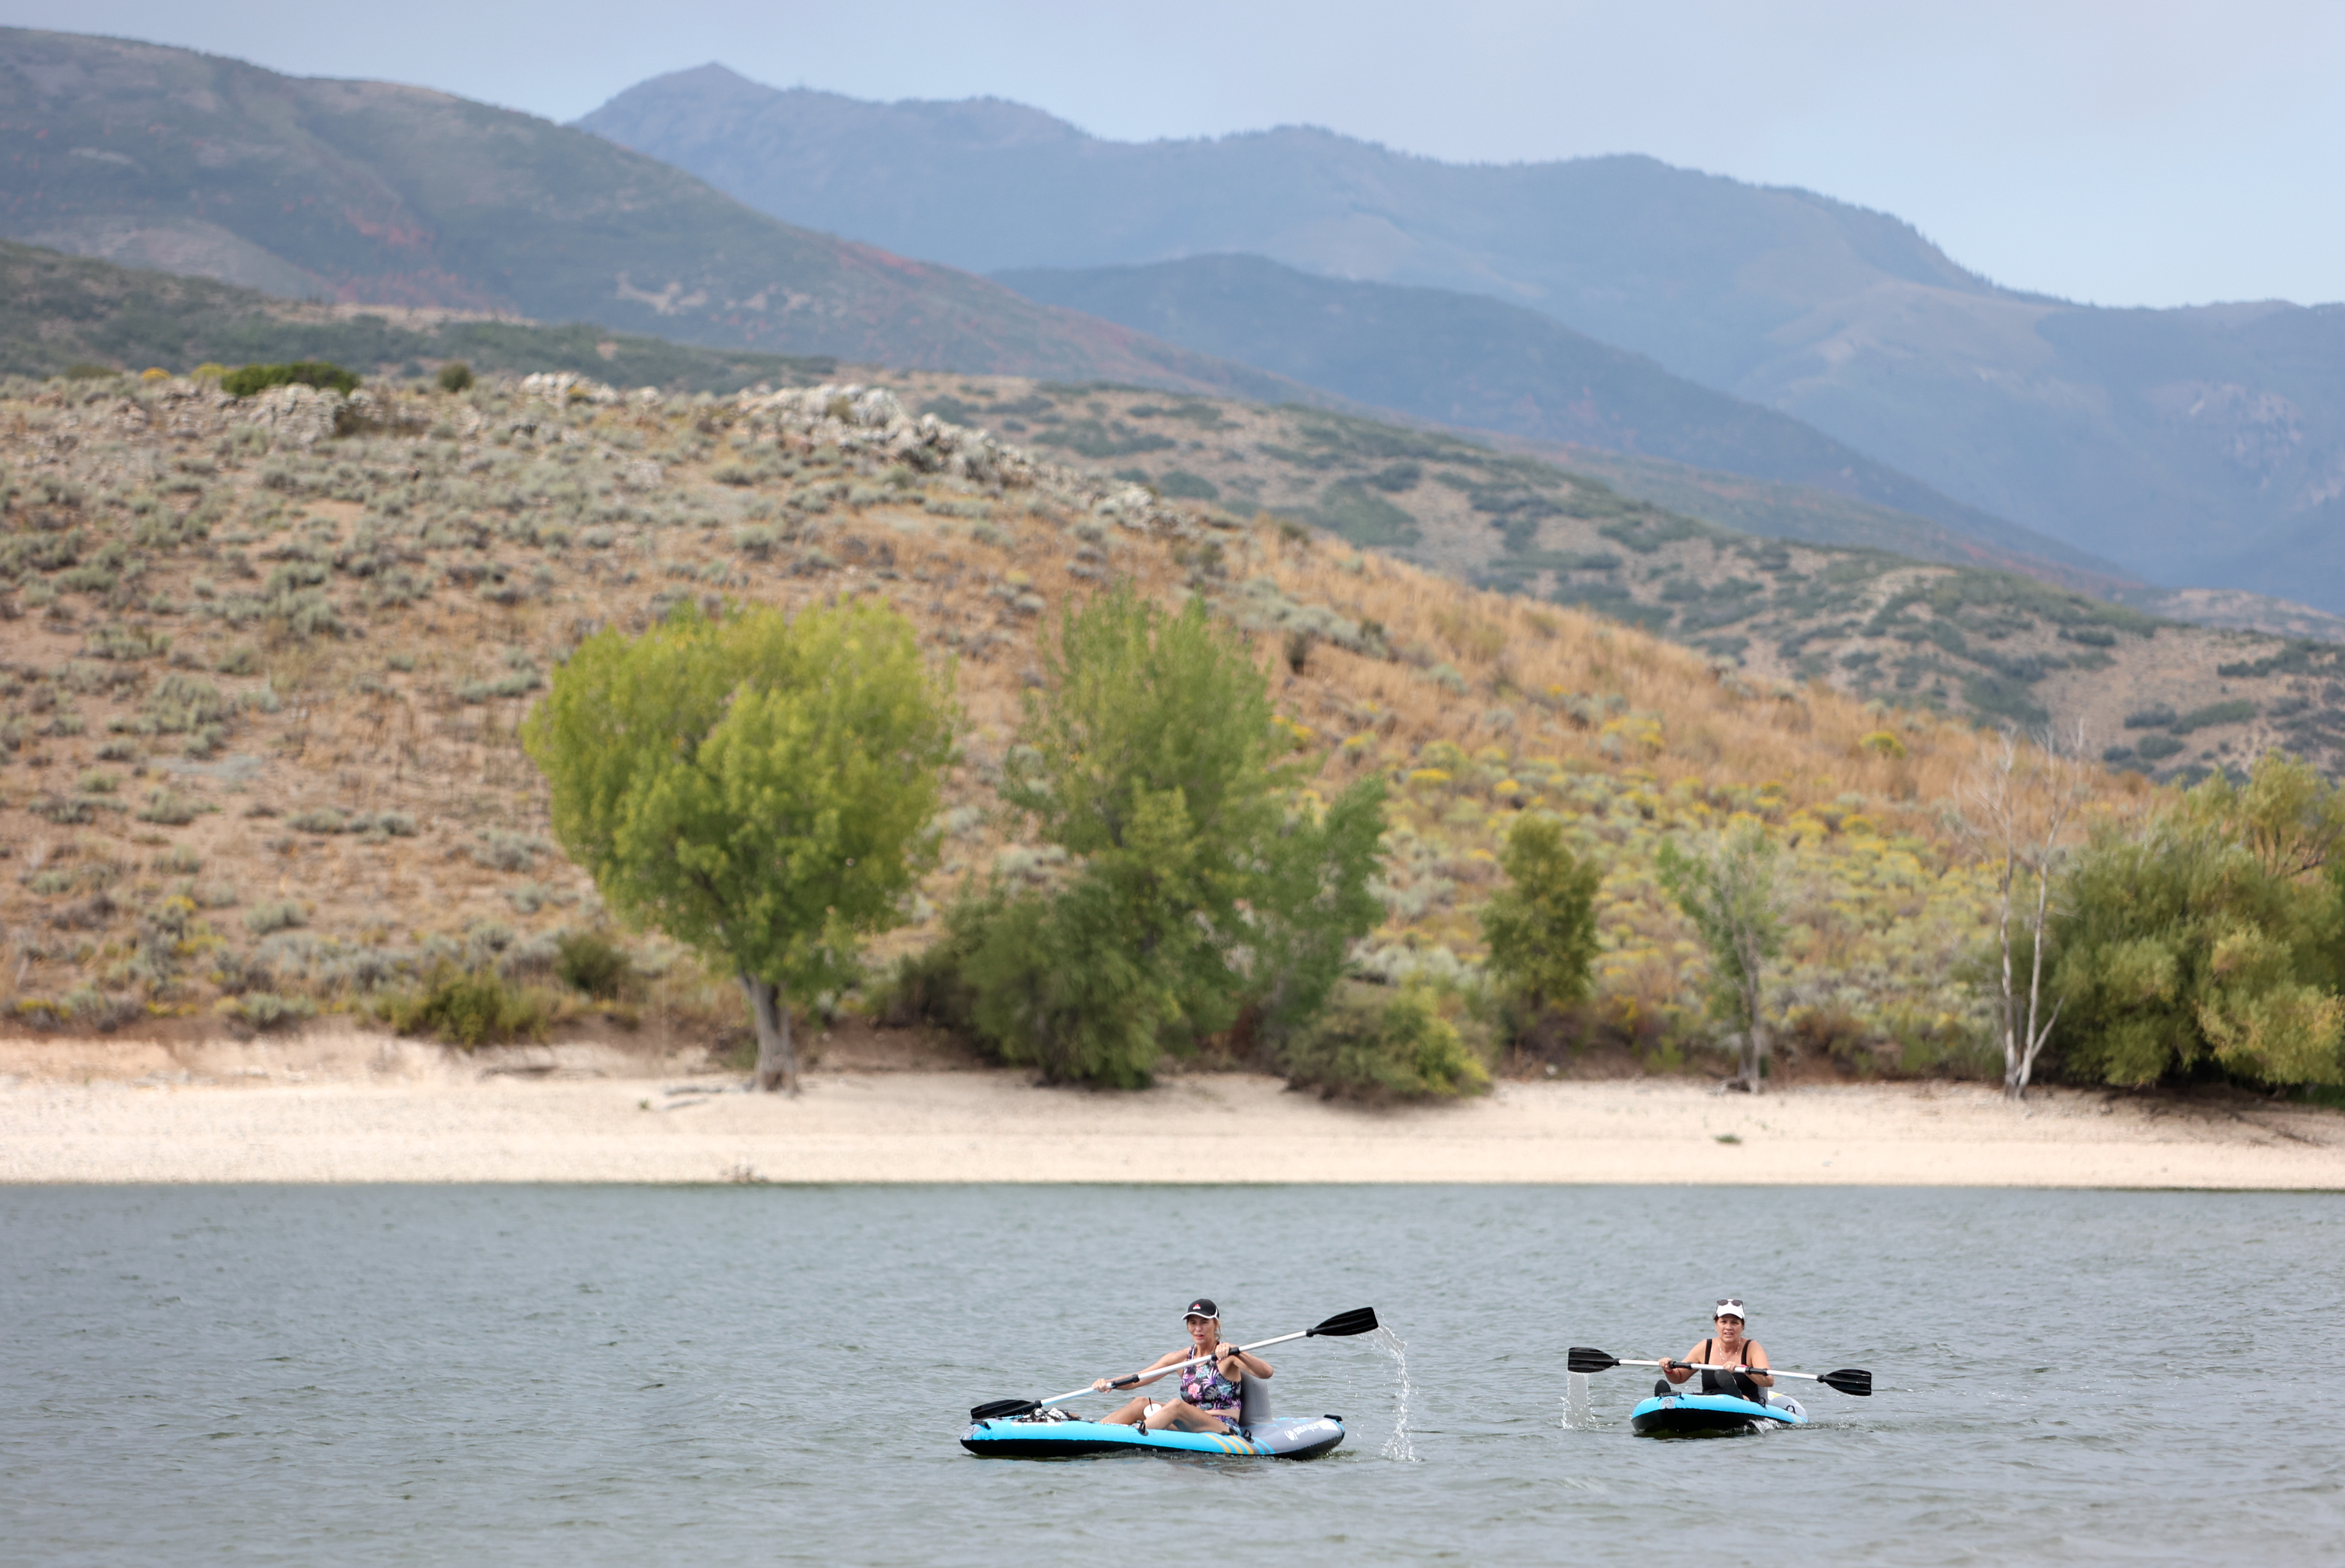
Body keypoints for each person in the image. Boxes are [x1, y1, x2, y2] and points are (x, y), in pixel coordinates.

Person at [1094, 1299, 1272, 1434]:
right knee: (1140, 1403)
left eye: (1204, 1322)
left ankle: (1130, 1436)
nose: (1198, 1329)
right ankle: (1095, 1432)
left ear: (1215, 1324)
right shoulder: (1182, 1358)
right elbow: (1137, 1379)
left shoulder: (1227, 1355)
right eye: (1193, 1323)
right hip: (1189, 1424)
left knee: (1176, 1406)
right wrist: (1109, 1383)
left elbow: (1266, 1372)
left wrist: (1237, 1352)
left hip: (1222, 1427)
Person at [1656, 1297, 1774, 1404]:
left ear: (1742, 1326)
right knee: (1691, 1398)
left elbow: (1768, 1381)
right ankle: (1665, 1400)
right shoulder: (1705, 1346)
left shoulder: (1752, 1347)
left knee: (1736, 1398)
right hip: (1711, 1400)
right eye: (1723, 1322)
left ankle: (1735, 1394)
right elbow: (1679, 1378)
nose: (1728, 1327)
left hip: (1746, 1401)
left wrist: (1742, 1368)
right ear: (1716, 1324)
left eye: (1734, 1322)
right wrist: (1669, 1370)